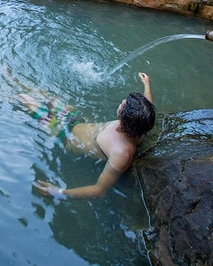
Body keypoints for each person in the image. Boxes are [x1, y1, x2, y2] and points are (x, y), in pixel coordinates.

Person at [25, 72, 155, 199]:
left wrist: (59, 192)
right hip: (75, 119)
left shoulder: (121, 154)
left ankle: (5, 95)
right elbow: (147, 105)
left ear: (123, 120)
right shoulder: (141, 122)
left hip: (64, 135)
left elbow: (99, 190)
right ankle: (8, 76)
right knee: (40, 93)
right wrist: (146, 84)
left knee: (24, 100)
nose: (122, 102)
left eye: (122, 105)